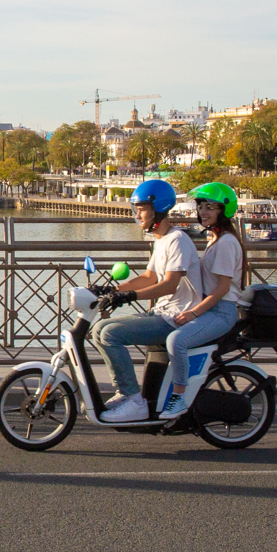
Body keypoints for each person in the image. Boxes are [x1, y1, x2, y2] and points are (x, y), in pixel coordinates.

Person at [93, 179, 208, 423]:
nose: (138, 214)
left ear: (159, 208)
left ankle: (133, 400)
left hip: (176, 317)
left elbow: (169, 284)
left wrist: (129, 296)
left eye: (142, 209)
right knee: (98, 329)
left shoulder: (177, 240)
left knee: (111, 333)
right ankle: (126, 393)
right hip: (162, 312)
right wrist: (111, 289)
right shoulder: (162, 239)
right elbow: (149, 277)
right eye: (137, 209)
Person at [141, 181, 251, 417]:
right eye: (201, 206)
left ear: (224, 210)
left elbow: (222, 289)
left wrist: (194, 312)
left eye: (210, 206)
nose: (203, 211)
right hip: (210, 310)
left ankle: (178, 398)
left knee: (176, 341)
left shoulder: (226, 244)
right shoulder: (216, 239)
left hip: (221, 312)